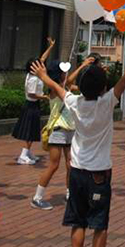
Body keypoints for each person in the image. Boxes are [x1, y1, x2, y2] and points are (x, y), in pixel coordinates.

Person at [32, 33, 125, 247]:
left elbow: (57, 88)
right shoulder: (106, 103)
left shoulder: (75, 102)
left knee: (77, 222)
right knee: (99, 224)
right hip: (99, 174)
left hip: (76, 172)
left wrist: (43, 75)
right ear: (103, 89)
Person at [31, 58, 88, 210]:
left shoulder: (66, 88)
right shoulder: (54, 89)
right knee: (53, 165)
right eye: (63, 71)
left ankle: (69, 195)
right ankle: (37, 197)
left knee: (71, 164)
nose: (66, 73)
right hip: (57, 130)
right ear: (58, 74)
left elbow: (76, 85)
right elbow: (69, 81)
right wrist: (82, 65)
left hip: (69, 130)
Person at [14, 37, 56, 165]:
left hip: (33, 106)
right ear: (34, 67)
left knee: (32, 131)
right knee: (29, 131)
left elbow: (43, 58)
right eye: (38, 64)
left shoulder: (34, 74)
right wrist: (44, 97)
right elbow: (32, 94)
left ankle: (28, 152)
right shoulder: (33, 78)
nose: (42, 64)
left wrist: (51, 46)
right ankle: (23, 155)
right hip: (31, 106)